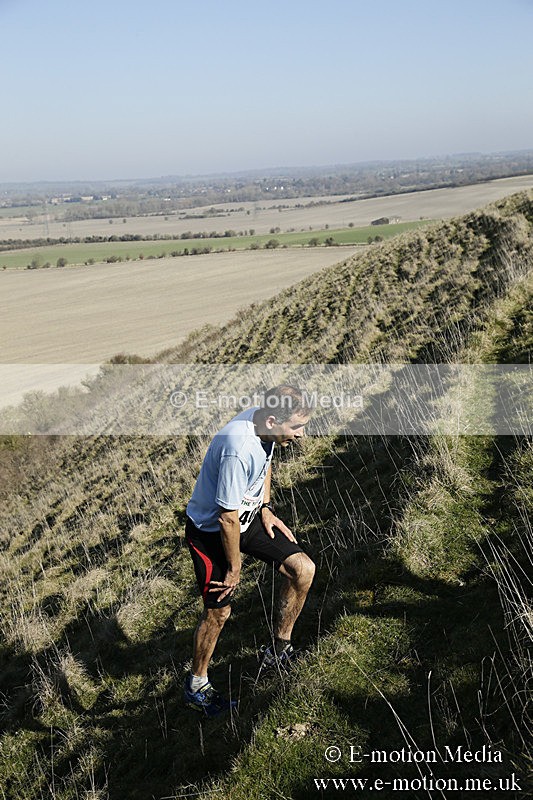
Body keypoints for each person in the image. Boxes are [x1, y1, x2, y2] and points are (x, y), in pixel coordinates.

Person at [183, 384, 316, 716]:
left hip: (249, 517)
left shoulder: (266, 431)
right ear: (272, 420)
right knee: (219, 613)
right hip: (212, 531)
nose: (302, 435)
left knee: (303, 570)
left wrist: (266, 506)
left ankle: (278, 649)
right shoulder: (237, 447)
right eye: (297, 427)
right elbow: (226, 518)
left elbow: (266, 462)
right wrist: (234, 568)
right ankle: (196, 685)